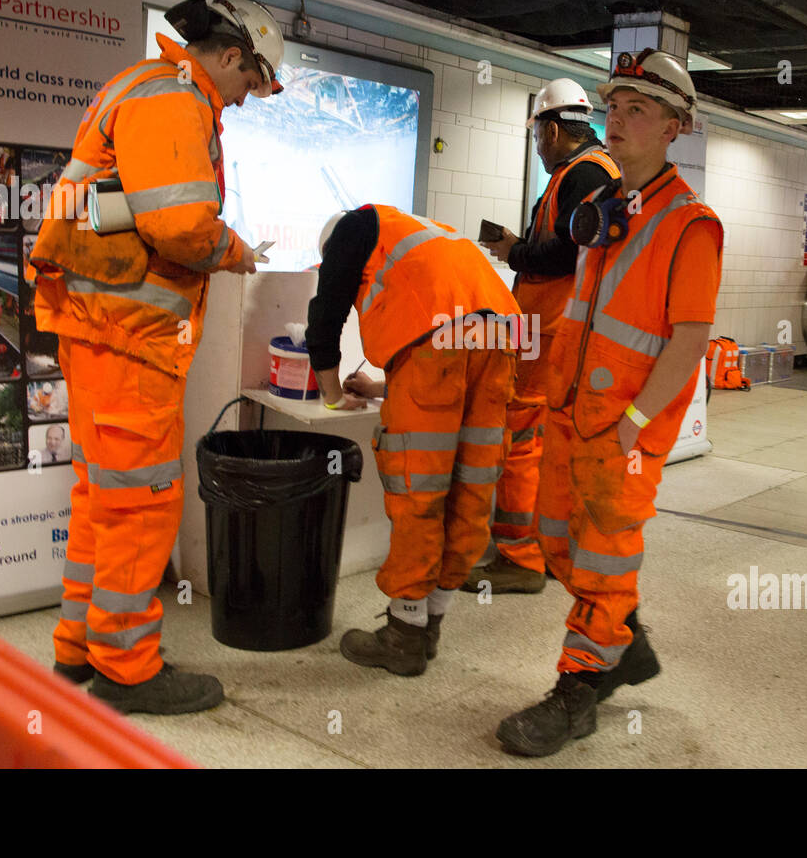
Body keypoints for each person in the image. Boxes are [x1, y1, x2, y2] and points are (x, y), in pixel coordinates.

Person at [26, 0, 283, 714]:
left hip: (97, 328)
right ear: (232, 57)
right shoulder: (176, 100)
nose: (246, 100)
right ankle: (127, 667)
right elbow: (178, 224)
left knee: (100, 494)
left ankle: (78, 648)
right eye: (251, 83)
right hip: (130, 337)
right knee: (143, 500)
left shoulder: (136, 85)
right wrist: (234, 252)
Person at [495, 49, 723, 756]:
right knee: (556, 542)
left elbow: (689, 341)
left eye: (639, 111)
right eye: (614, 108)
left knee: (604, 559)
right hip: (571, 414)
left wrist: (633, 425)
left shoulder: (692, 225)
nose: (618, 122)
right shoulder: (605, 208)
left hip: (622, 429)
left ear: (674, 128)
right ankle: (625, 640)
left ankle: (578, 689)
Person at [306, 204, 519, 676]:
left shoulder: (350, 229)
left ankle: (404, 634)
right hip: (504, 335)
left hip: (436, 348)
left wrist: (334, 396)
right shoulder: (424, 229)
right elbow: (458, 343)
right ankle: (430, 623)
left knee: (418, 488)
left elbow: (324, 318)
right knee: (472, 484)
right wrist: (386, 388)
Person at [464, 79, 619, 595]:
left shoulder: (584, 174)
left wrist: (514, 252)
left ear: (553, 130)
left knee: (523, 436)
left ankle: (520, 557)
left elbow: (564, 254)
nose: (537, 145)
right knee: (559, 441)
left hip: (548, 329)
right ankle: (555, 548)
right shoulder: (596, 174)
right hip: (566, 328)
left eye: (536, 135)